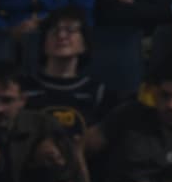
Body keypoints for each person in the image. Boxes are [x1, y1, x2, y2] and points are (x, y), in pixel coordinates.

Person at [22, 8, 110, 138]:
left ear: (84, 43)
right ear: (43, 43)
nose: (61, 36)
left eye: (70, 30)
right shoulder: (24, 87)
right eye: (54, 30)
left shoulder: (98, 92)